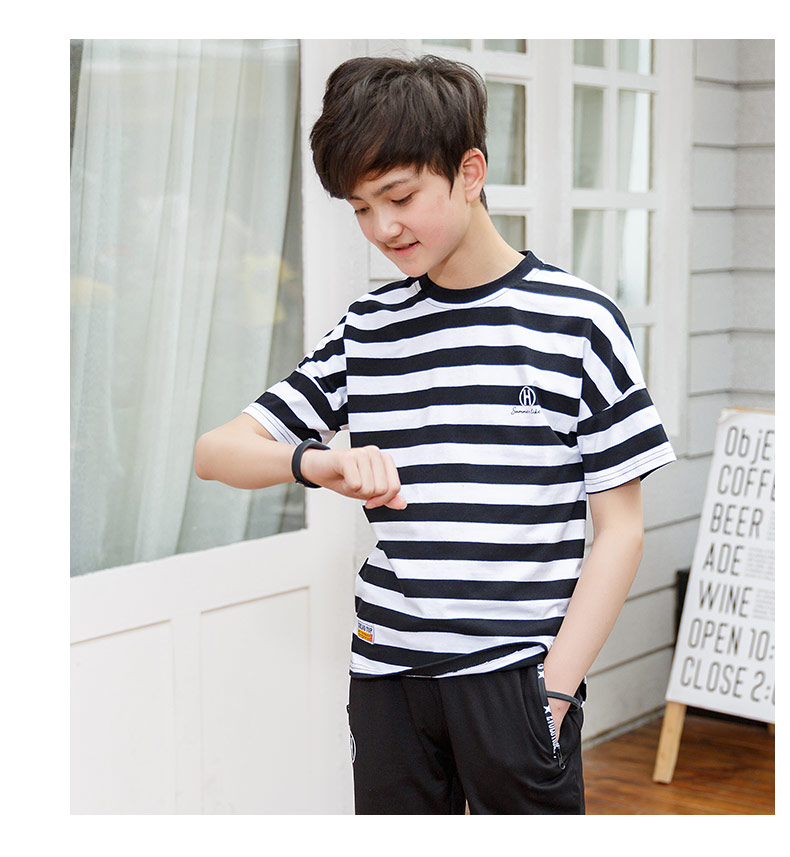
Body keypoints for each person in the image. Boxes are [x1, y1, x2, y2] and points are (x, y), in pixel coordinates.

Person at [194, 54, 676, 814]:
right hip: (389, 677)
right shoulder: (368, 330)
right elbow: (216, 452)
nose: (382, 228)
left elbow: (622, 531)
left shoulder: (579, 323)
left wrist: (553, 693)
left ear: (470, 172)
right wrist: (317, 463)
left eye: (400, 196)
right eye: (360, 208)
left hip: (517, 682)